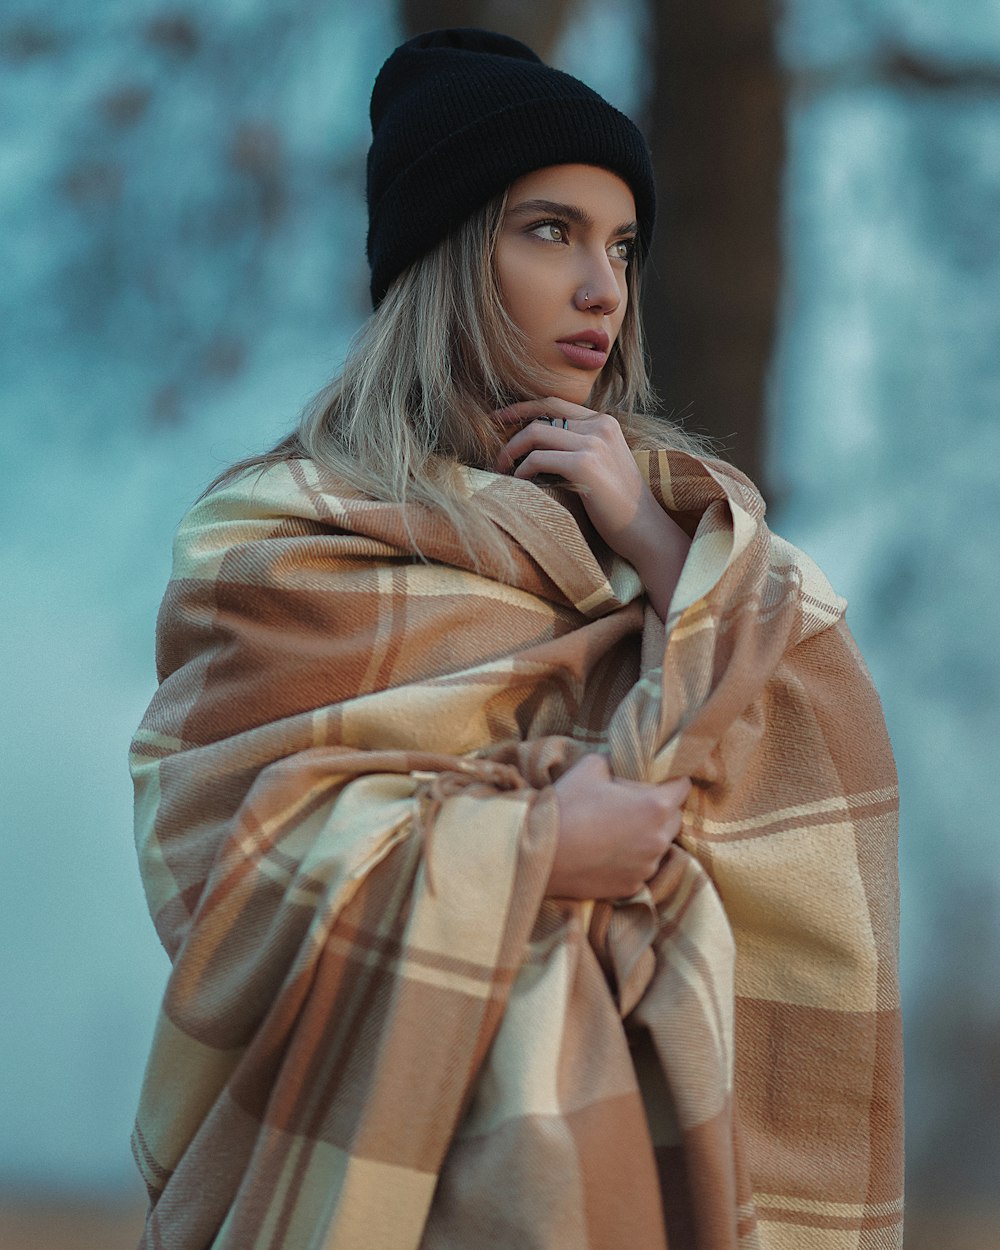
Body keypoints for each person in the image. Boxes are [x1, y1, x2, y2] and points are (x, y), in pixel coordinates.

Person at [129, 28, 903, 1250]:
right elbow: (239, 873)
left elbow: (805, 747)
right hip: (396, 1176)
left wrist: (655, 542)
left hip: (658, 1164)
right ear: (443, 254)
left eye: (623, 245)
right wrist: (531, 848)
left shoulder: (674, 528)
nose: (603, 288)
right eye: (550, 230)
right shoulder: (277, 539)